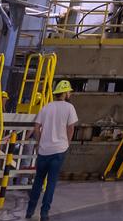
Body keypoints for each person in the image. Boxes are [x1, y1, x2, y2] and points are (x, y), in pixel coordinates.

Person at [28, 80, 78, 221]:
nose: (70, 93)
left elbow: (36, 127)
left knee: (38, 180)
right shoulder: (69, 108)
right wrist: (67, 142)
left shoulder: (46, 107)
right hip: (58, 151)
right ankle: (44, 213)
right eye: (69, 91)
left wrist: (39, 142)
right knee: (51, 182)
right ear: (66, 93)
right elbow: (71, 128)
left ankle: (29, 210)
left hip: (44, 151)